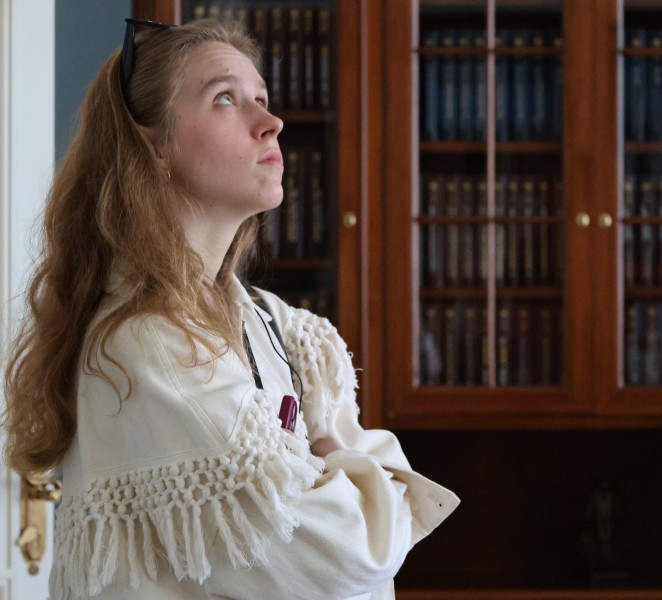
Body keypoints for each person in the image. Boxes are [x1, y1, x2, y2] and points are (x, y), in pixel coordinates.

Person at [2, 17, 458, 600]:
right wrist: (345, 471)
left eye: (261, 99)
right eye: (225, 98)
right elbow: (349, 552)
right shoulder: (150, 344)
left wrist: (337, 480)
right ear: (153, 145)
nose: (271, 122)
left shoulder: (280, 326)